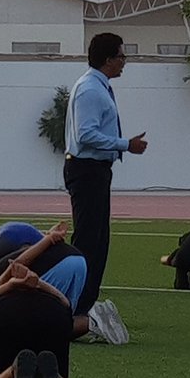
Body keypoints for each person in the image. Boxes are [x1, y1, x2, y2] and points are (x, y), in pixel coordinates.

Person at [63, 32, 148, 341]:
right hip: (87, 169)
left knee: (98, 241)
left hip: (96, 170)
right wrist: (125, 144)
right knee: (89, 242)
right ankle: (75, 310)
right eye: (122, 56)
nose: (125, 62)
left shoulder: (99, 87)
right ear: (109, 59)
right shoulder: (90, 89)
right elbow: (85, 134)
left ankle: (83, 306)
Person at [0, 220, 103, 341]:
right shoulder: (10, 241)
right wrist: (49, 238)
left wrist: (49, 239)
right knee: (59, 318)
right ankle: (94, 322)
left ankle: (94, 322)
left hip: (61, 264)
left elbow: (19, 262)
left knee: (43, 326)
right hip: (77, 259)